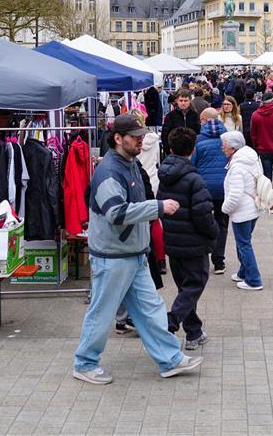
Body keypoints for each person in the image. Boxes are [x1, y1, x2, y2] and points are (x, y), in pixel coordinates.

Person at [74, 114, 203, 384]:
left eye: (141, 136)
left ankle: (170, 359)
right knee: (103, 311)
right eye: (135, 137)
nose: (141, 141)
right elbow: (116, 213)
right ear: (118, 138)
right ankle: (85, 363)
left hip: (132, 253)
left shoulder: (127, 163)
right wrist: (157, 207)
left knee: (151, 309)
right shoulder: (109, 171)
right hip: (114, 256)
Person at [157, 128, 218, 351]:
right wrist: (214, 233)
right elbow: (203, 215)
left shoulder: (164, 176)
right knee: (194, 285)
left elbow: (160, 207)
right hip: (194, 244)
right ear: (193, 150)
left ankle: (194, 332)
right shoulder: (194, 179)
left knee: (186, 287)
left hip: (173, 242)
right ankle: (170, 321)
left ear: (171, 148)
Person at [221, 131, 264, 291]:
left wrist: (225, 209)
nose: (222, 149)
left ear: (233, 148)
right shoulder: (251, 158)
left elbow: (235, 194)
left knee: (244, 244)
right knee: (244, 242)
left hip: (243, 211)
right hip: (253, 207)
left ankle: (254, 280)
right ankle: (243, 272)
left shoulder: (237, 167)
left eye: (224, 146)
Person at [192, 108, 230, 275]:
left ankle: (204, 255)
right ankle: (219, 260)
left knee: (203, 222)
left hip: (204, 188)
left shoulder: (198, 140)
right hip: (225, 187)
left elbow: (192, 164)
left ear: (204, 120)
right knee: (222, 223)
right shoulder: (228, 139)